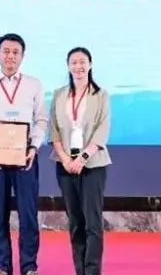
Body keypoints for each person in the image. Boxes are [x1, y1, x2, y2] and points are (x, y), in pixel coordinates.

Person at [0, 33, 48, 275]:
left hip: (26, 154)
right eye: (6, 51)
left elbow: (41, 119)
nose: (10, 56)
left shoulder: (34, 84)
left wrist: (34, 147)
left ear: (22, 56)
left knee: (28, 214)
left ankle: (29, 266)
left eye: (15, 52)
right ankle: (3, 266)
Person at [49, 47, 112, 275]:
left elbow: (102, 130)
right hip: (65, 165)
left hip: (93, 164)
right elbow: (54, 131)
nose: (78, 66)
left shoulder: (101, 95)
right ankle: (80, 270)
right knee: (75, 222)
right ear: (68, 66)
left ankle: (92, 271)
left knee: (92, 223)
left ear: (90, 65)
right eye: (74, 62)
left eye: (82, 62)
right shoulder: (59, 94)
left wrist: (83, 158)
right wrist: (66, 159)